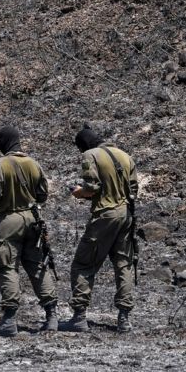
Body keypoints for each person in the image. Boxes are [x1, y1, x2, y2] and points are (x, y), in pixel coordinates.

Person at [0, 126, 59, 337]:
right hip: (34, 219)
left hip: (10, 220)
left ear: (3, 143)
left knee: (7, 266)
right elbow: (43, 195)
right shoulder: (34, 163)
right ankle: (52, 316)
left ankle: (9, 320)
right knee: (37, 266)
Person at [62, 128, 138, 333]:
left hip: (104, 215)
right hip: (126, 216)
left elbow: (92, 187)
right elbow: (133, 189)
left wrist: (79, 193)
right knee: (123, 264)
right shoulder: (125, 156)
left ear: (84, 145)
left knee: (83, 264)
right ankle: (124, 318)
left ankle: (79, 316)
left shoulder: (90, 155)